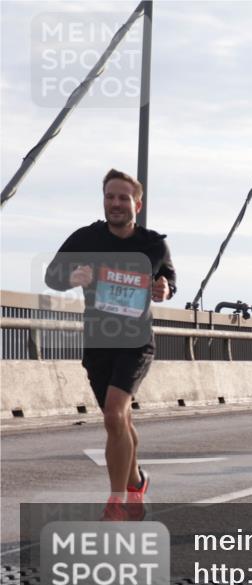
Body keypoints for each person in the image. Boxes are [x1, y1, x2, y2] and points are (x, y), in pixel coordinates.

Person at [44, 169, 176, 521]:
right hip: (99, 340)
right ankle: (136, 482)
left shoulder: (152, 244)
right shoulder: (85, 238)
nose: (115, 204)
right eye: (110, 197)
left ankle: (117, 500)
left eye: (123, 198)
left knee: (115, 412)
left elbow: (168, 280)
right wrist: (72, 276)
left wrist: (164, 289)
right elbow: (52, 276)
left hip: (135, 341)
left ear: (137, 204)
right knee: (118, 419)